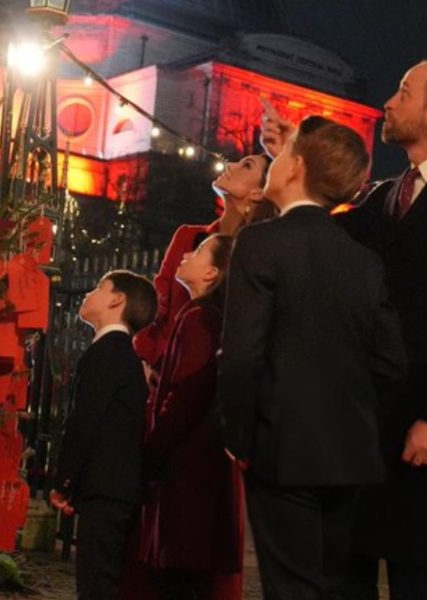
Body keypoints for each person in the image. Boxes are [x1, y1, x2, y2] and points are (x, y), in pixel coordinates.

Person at [263, 60, 427, 600]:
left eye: (404, 92)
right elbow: (312, 232)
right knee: (346, 568)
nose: (389, 104)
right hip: (358, 422)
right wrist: (289, 158)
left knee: (415, 573)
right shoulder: (380, 196)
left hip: (420, 424)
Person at [218, 116, 408, 599]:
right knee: (330, 585)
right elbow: (390, 363)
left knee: (290, 587)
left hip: (281, 447)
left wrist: (240, 438)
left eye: (282, 155)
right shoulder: (363, 260)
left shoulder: (261, 243)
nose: (273, 162)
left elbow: (242, 355)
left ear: (295, 166)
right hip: (350, 452)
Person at [139, 233, 243, 600]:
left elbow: (184, 394)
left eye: (199, 252)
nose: (186, 253)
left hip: (187, 470)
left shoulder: (200, 318)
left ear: (213, 272)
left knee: (180, 580)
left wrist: (152, 452)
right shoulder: (210, 316)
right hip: (198, 465)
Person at [52, 270, 158, 600]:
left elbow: (85, 422)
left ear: (117, 299)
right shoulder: (122, 354)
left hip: (106, 487)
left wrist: (65, 480)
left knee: (97, 583)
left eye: (100, 287)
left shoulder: (107, 353)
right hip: (116, 487)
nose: (89, 294)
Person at [133, 154, 274, 372]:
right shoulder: (188, 237)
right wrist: (147, 359)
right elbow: (160, 303)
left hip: (218, 375)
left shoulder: (258, 253)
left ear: (258, 192)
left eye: (246, 166)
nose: (229, 164)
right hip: (164, 368)